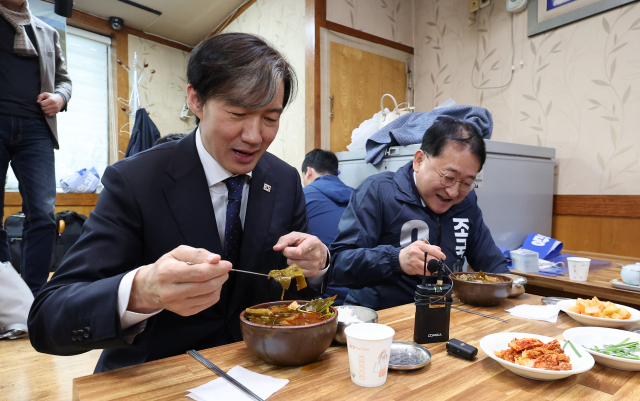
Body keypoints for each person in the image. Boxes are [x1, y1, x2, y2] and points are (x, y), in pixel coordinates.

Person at [28, 32, 329, 372]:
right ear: (196, 101)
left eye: (270, 119)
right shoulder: (135, 180)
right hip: (157, 374)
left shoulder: (284, 179)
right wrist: (142, 291)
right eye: (237, 113)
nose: (255, 136)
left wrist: (316, 266)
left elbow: (296, 293)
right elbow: (47, 319)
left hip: (258, 369)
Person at [330, 118, 509, 310]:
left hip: (445, 315)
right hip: (382, 321)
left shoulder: (467, 202)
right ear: (419, 160)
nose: (454, 192)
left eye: (466, 183)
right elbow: (340, 265)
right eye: (449, 177)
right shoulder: (378, 191)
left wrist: (510, 284)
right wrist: (396, 259)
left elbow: (492, 263)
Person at [0, 0, 72, 295]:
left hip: (37, 130)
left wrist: (60, 98)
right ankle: (5, 297)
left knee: (43, 214)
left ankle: (33, 297)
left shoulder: (47, 31)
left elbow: (64, 81)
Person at [301, 149, 353, 305]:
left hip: (323, 298)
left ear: (308, 172)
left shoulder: (303, 195)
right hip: (362, 294)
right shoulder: (359, 195)